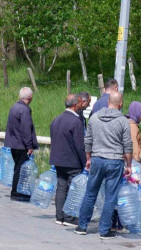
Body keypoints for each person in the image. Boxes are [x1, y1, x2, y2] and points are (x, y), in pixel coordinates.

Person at [75, 92, 133, 240]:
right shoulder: (123, 121)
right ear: (120, 104)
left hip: (97, 159)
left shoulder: (94, 118)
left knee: (90, 193)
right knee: (110, 197)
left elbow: (87, 140)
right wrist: (129, 165)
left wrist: (88, 158)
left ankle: (82, 226)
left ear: (108, 102)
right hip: (114, 161)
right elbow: (127, 145)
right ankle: (105, 230)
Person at [49, 94, 86, 226]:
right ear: (75, 105)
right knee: (72, 188)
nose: (81, 106)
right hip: (72, 161)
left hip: (58, 160)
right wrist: (85, 161)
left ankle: (59, 216)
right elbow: (80, 145)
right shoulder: (76, 122)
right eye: (80, 104)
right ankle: (69, 217)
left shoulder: (56, 119)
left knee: (61, 187)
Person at [4, 87, 39, 202]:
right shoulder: (24, 110)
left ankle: (18, 191)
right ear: (30, 97)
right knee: (20, 169)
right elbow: (25, 129)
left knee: (18, 168)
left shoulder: (14, 107)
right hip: (21, 145)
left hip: (14, 143)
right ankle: (16, 192)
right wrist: (29, 146)